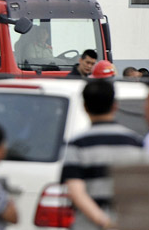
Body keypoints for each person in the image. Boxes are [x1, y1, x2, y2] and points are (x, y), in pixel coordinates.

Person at [61, 80, 143, 230]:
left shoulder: (77, 144)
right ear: (115, 106)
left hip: (87, 225)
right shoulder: (135, 142)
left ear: (84, 107)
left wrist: (105, 222)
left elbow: (76, 192)